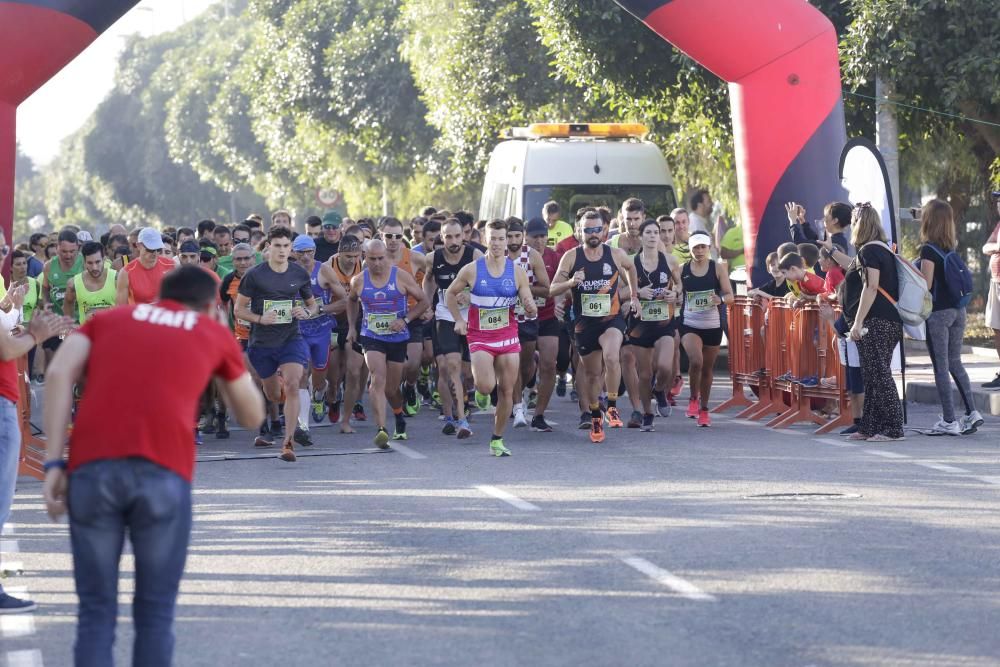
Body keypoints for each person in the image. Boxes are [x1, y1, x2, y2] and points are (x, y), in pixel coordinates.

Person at [41, 265, 264, 666]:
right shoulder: (210, 330)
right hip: (163, 473)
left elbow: (58, 372)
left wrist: (55, 462)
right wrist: (223, 347)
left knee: (95, 611)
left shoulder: (108, 319)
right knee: (155, 614)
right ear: (212, 305)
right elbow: (251, 416)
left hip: (92, 470)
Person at [447, 220, 536, 456]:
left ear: (507, 241)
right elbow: (450, 293)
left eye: (501, 238)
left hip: (508, 335)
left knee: (507, 390)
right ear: (485, 239)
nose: (496, 243)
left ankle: (497, 439)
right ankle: (480, 392)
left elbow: (528, 302)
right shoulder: (472, 269)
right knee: (486, 387)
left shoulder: (516, 271)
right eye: (492, 238)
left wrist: (529, 307)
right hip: (480, 337)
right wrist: (458, 319)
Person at [550, 209, 639, 443]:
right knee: (591, 375)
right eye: (587, 230)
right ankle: (595, 416)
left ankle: (611, 405)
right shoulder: (571, 257)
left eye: (596, 229)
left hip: (611, 319)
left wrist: (634, 295)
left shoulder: (615, 254)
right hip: (584, 323)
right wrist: (570, 282)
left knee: (611, 357)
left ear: (604, 230)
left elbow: (630, 268)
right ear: (579, 231)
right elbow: (552, 288)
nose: (592, 234)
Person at [234, 227, 318, 462]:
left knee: (293, 384)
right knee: (272, 394)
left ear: (291, 248)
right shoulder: (254, 275)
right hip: (262, 343)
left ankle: (288, 443)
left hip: (291, 338)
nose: (282, 250)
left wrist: (306, 312)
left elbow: (312, 306)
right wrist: (260, 318)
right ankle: (278, 398)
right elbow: (239, 309)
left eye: (286, 246)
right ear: (268, 247)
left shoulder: (298, 273)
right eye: (277, 246)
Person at [346, 239, 429, 447]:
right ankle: (381, 429)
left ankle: (399, 415)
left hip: (397, 338)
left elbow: (424, 301)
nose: (377, 263)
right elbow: (352, 301)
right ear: (365, 257)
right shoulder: (358, 280)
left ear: (387, 257)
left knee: (391, 389)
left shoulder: (400, 276)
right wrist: (352, 327)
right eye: (372, 259)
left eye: (381, 258)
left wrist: (405, 320)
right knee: (376, 380)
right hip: (371, 335)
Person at [917, 199, 983, 435]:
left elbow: (926, 284)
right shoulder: (950, 246)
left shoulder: (927, 250)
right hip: (959, 310)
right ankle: (972, 412)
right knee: (956, 362)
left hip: (938, 314)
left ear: (929, 221)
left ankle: (948, 420)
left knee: (941, 367)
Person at [843, 203, 904, 442]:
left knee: (879, 374)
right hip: (887, 321)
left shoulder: (869, 252)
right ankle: (869, 426)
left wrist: (857, 323)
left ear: (859, 225)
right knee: (872, 375)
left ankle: (893, 427)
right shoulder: (883, 249)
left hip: (876, 321)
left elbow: (871, 286)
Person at [424, 220, 480, 437]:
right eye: (449, 237)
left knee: (467, 373)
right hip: (445, 316)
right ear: (442, 237)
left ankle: (463, 405)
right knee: (449, 367)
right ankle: (457, 419)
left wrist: (472, 295)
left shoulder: (475, 257)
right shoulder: (433, 259)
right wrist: (428, 303)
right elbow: (428, 281)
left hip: (471, 318)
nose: (454, 241)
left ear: (463, 236)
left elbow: (486, 283)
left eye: (457, 236)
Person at [627, 220, 682, 429]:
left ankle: (659, 391)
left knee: (664, 367)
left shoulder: (669, 261)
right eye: (648, 232)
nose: (652, 236)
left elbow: (679, 285)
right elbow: (621, 292)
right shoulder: (631, 263)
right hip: (640, 324)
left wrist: (674, 294)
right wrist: (637, 293)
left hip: (664, 322)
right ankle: (647, 413)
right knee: (644, 374)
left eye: (655, 232)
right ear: (641, 237)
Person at [291, 234, 347, 435]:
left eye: (310, 252)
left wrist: (320, 310)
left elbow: (345, 300)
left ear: (314, 251)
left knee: (319, 377)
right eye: (301, 253)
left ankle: (320, 395)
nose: (305, 257)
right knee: (301, 375)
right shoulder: (287, 271)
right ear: (293, 253)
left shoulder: (323, 270)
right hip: (297, 331)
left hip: (321, 330)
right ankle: (303, 425)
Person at [679, 232, 734, 427]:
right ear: (690, 249)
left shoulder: (717, 268)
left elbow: (730, 295)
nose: (699, 251)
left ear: (709, 248)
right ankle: (693, 398)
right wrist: (674, 296)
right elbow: (674, 291)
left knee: (707, 369)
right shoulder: (681, 269)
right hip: (689, 323)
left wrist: (720, 299)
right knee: (696, 361)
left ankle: (704, 408)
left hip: (712, 324)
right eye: (696, 247)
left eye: (703, 247)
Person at [506, 219, 551, 429]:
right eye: (509, 236)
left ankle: (517, 394)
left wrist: (524, 288)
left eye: (516, 236)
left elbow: (546, 288)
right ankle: (517, 408)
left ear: (522, 235)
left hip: (527, 317)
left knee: (525, 365)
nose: (513, 241)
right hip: (505, 319)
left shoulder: (532, 256)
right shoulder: (496, 256)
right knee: (512, 364)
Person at [380, 217, 426, 417]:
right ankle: (396, 400)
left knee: (414, 364)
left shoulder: (414, 257)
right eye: (388, 236)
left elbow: (433, 274)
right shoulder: (373, 260)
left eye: (397, 236)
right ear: (381, 235)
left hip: (412, 316)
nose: (393, 240)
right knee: (398, 366)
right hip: (386, 319)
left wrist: (430, 302)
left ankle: (410, 386)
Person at [523, 218, 562, 432]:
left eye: (543, 236)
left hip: (547, 316)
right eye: (534, 236)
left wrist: (560, 302)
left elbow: (560, 284)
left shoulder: (554, 257)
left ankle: (539, 415)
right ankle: (515, 402)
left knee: (549, 365)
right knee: (525, 367)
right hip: (523, 318)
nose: (539, 241)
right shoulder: (517, 256)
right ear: (525, 236)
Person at [326, 235, 366, 433]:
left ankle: (347, 418)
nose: (352, 260)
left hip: (356, 322)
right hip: (333, 322)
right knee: (333, 375)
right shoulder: (328, 267)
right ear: (339, 253)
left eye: (356, 256)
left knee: (353, 371)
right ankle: (332, 397)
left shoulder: (365, 267)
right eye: (348, 256)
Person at [117, 227, 175, 305]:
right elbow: (121, 309)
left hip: (166, 316)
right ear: (138, 246)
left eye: (158, 249)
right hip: (139, 316)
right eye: (150, 249)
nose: (154, 253)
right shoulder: (126, 273)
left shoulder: (172, 266)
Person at [63, 242, 117, 324]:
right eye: (90, 263)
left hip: (113, 333)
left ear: (104, 259)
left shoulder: (117, 279)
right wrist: (68, 329)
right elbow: (68, 306)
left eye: (98, 262)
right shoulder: (73, 284)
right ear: (84, 262)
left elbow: (128, 308)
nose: (94, 267)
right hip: (87, 334)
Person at [980, 191, 1000, 388]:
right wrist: (996, 247)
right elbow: (986, 247)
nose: (998, 204)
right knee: (997, 327)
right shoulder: (999, 225)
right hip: (996, 281)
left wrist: (995, 246)